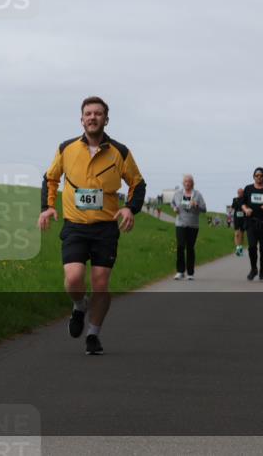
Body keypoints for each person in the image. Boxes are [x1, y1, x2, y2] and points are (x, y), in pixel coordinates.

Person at [39, 96, 146, 355]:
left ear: (105, 119)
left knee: (100, 283)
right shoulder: (66, 148)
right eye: (88, 113)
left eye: (98, 114)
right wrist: (48, 206)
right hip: (75, 224)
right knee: (73, 278)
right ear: (81, 119)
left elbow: (138, 183)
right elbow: (50, 178)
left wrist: (129, 208)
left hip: (105, 228)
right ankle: (79, 306)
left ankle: (93, 335)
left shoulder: (120, 152)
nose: (92, 117)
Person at [171, 174, 206, 280]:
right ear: (183, 183)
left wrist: (196, 205)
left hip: (193, 225)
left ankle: (190, 273)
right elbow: (172, 203)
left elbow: (204, 209)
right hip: (180, 224)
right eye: (185, 181)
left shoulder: (197, 195)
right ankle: (180, 271)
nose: (187, 183)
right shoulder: (177, 194)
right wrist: (174, 208)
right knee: (180, 246)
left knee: (190, 248)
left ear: (192, 183)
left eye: (189, 181)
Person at [231, 188, 246, 256]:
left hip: (243, 218)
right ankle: (238, 249)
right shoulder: (235, 199)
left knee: (242, 234)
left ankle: (240, 249)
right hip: (236, 218)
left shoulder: (245, 199)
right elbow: (233, 207)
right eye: (238, 192)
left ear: (243, 193)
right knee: (236, 234)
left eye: (241, 192)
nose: (240, 194)